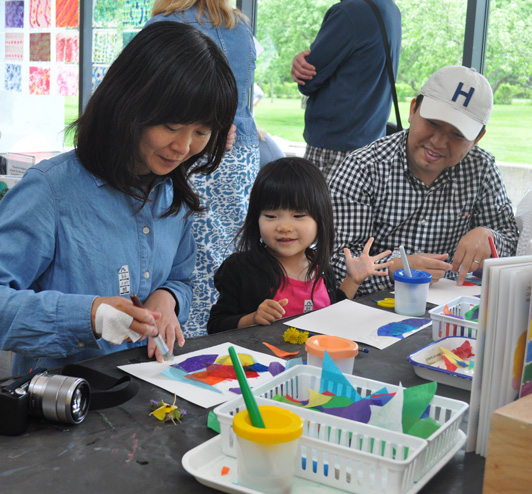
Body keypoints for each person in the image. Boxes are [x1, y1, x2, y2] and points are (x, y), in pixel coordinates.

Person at [0, 22, 238, 376]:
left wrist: (168, 298)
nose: (184, 147)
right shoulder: (51, 191)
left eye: (201, 132)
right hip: (59, 405)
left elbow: (179, 278)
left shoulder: (172, 194)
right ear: (129, 105)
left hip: (145, 395)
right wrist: (90, 316)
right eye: (172, 126)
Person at [329, 65, 520, 297]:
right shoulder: (363, 167)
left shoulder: (482, 169)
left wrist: (488, 237)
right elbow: (333, 262)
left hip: (450, 307)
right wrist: (396, 268)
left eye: (457, 135)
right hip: (371, 305)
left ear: (477, 139)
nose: (438, 142)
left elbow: (511, 241)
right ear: (413, 110)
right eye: (433, 123)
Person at [147, 0, 260, 337]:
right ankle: (225, 332)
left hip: (192, 156)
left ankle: (184, 338)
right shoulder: (238, 26)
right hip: (240, 157)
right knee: (229, 255)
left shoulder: (165, 26)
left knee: (185, 259)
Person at [207, 157, 391, 333]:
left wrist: (353, 280)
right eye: (271, 216)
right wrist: (253, 319)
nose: (284, 227)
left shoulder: (321, 267)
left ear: (320, 219)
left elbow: (332, 313)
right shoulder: (241, 268)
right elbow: (216, 326)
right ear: (256, 218)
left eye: (298, 216)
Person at [291, 0, 401, 182]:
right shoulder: (390, 9)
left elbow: (307, 81)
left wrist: (300, 62)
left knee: (317, 210)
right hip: (371, 145)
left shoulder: (349, 12)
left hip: (334, 149)